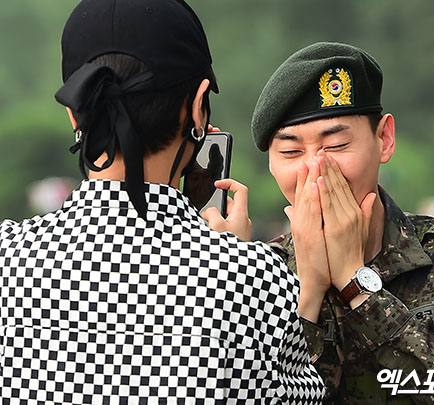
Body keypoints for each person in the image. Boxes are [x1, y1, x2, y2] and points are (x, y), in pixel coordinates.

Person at [0, 1, 325, 403]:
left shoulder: (7, 254)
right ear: (198, 107)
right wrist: (273, 278)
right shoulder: (255, 279)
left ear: (74, 114)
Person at [208, 42, 434, 404]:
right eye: (291, 152)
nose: (316, 170)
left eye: (336, 146)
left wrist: (356, 286)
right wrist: (306, 292)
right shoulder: (262, 272)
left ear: (384, 139)